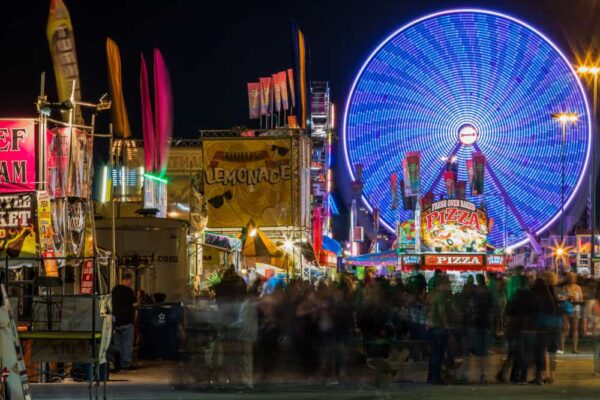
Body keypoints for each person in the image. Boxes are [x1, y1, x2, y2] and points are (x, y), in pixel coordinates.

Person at [532, 277, 562, 385]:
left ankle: (543, 374)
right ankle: (552, 376)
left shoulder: (537, 296)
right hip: (556, 324)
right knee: (552, 352)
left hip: (543, 325)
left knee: (542, 351)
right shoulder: (552, 295)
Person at [111, 273, 139, 370]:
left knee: (118, 344)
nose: (131, 283)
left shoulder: (114, 290)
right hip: (127, 322)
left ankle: (118, 364)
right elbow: (135, 304)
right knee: (127, 344)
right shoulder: (129, 291)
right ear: (126, 280)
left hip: (116, 321)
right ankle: (126, 364)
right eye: (130, 281)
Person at [427, 276, 451, 384]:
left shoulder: (431, 295)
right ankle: (436, 378)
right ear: (440, 285)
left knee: (433, 354)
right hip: (439, 327)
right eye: (446, 284)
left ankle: (431, 376)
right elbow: (441, 312)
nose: (448, 286)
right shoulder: (441, 297)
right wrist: (446, 325)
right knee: (439, 354)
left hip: (432, 327)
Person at [560, 272, 583, 353]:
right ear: (568, 278)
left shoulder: (578, 287)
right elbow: (561, 298)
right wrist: (568, 297)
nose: (572, 279)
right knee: (564, 328)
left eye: (573, 277)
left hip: (576, 308)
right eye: (570, 277)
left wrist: (576, 299)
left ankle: (574, 348)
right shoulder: (564, 287)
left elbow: (581, 299)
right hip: (566, 308)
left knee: (575, 328)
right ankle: (562, 348)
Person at [585, 283, 600, 376]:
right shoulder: (592, 302)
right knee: (597, 349)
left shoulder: (591, 302)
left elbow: (588, 315)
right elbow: (588, 315)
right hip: (597, 328)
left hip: (596, 328)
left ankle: (597, 369)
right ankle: (597, 369)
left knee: (597, 349)